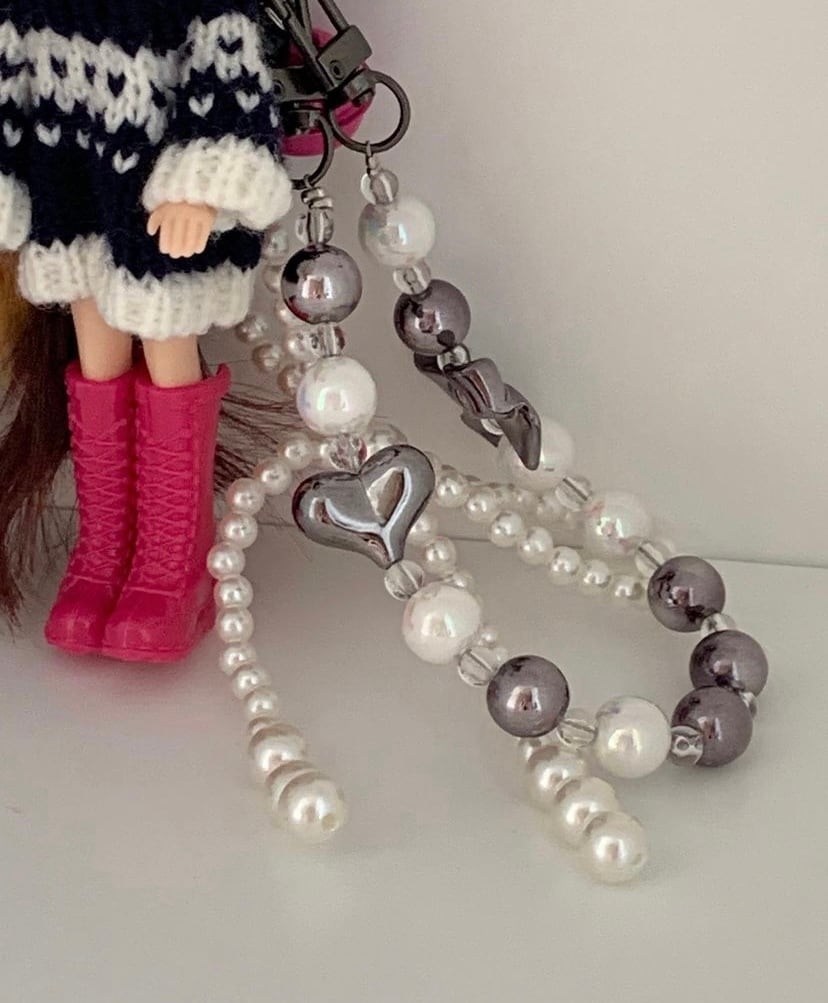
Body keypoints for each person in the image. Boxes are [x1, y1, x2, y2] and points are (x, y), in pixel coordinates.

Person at [0, 1, 292, 661]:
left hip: (157, 198)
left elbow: (227, 75)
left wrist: (202, 185)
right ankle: (103, 552)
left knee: (165, 348)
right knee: (95, 355)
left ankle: (174, 565)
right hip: (69, 193)